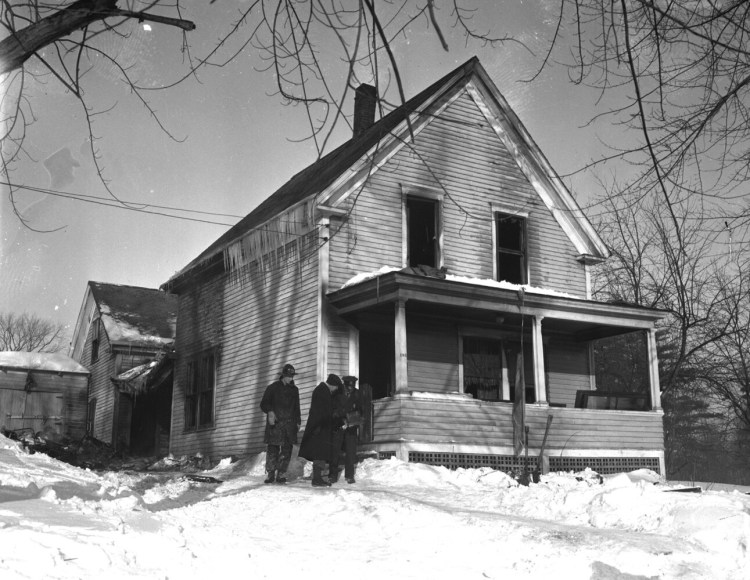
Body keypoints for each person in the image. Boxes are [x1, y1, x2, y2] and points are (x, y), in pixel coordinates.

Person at [298, 373, 343, 487]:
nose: (336, 390)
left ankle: (317, 477)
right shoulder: (322, 391)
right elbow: (320, 412)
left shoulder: (322, 390)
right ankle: (317, 479)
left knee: (320, 453)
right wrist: (319, 426)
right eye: (336, 387)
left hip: (320, 427)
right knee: (319, 453)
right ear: (332, 385)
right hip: (320, 428)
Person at [260, 363, 301, 484]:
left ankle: (281, 473)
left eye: (292, 376)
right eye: (289, 376)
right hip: (276, 424)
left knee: (287, 450)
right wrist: (270, 411)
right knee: (273, 449)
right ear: (283, 375)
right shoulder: (272, 388)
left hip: (289, 425)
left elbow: (297, 407)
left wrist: (298, 421)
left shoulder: (295, 390)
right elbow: (263, 404)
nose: (291, 378)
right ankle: (270, 474)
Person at [332, 375, 364, 484]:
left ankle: (349, 476)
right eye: (348, 387)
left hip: (351, 427)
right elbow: (333, 409)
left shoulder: (358, 394)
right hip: (339, 425)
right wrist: (341, 419)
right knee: (335, 451)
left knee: (351, 451)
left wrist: (355, 420)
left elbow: (361, 410)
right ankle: (332, 475)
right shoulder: (337, 393)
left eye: (352, 386)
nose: (350, 389)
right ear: (344, 385)